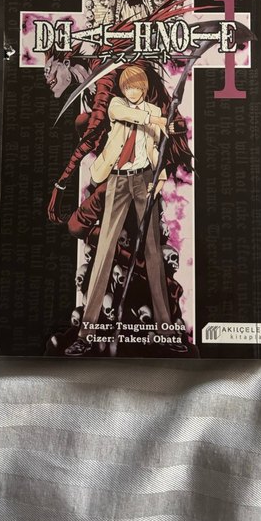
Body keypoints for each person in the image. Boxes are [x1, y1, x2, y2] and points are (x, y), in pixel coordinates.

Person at [65, 65, 173, 356]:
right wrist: (156, 119)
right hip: (117, 180)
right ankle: (86, 334)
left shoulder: (152, 110)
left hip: (144, 180)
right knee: (104, 251)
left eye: (136, 87)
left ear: (144, 88)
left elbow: (154, 151)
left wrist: (161, 179)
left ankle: (166, 330)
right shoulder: (116, 105)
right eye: (128, 87)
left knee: (153, 252)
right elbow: (128, 115)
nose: (132, 92)